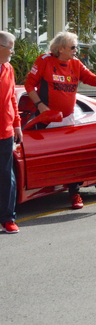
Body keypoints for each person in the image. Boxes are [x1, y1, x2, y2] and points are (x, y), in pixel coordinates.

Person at [25, 31, 96, 210]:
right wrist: (41, 105)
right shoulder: (44, 60)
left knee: (73, 159)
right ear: (61, 48)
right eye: (73, 47)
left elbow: (92, 80)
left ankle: (75, 194)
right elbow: (29, 85)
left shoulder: (76, 63)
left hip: (68, 119)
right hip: (46, 119)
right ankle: (42, 190)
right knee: (45, 157)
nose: (76, 50)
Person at [0, 31, 21, 233]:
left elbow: (12, 99)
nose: (13, 52)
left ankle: (8, 218)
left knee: (7, 175)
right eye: (11, 47)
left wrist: (17, 125)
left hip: (5, 131)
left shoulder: (8, 68)